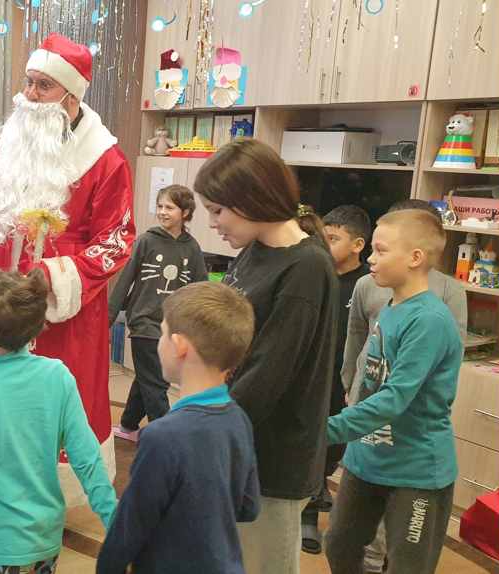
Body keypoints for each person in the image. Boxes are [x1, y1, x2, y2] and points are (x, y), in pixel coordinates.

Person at [0, 33, 135, 501]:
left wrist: (55, 274)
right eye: (28, 81)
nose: (28, 94)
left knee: (54, 404)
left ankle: (49, 495)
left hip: (64, 314)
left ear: (70, 95)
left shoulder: (106, 161)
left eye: (42, 85)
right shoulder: (7, 144)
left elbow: (116, 240)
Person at [193, 138, 339, 574]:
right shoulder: (255, 250)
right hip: (237, 438)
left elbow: (266, 374)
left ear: (250, 197)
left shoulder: (306, 266)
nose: (215, 224)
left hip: (272, 456)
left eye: (218, 211)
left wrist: (201, 432)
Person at [0, 268, 118, 574]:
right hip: (44, 543)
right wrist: (114, 519)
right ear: (37, 327)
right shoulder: (58, 377)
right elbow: (87, 459)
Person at [324, 209, 462, 574]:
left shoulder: (429, 319)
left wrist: (324, 431)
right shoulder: (390, 304)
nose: (370, 258)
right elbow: (369, 382)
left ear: (415, 258)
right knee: (339, 546)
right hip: (365, 461)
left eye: (381, 250)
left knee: (407, 567)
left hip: (415, 473)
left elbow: (394, 398)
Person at [97, 281, 259, 574]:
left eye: (161, 333)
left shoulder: (162, 436)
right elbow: (248, 507)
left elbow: (129, 529)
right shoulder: (240, 419)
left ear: (179, 345)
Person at [108, 184, 208, 441]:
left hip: (174, 326)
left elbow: (201, 288)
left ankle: (129, 425)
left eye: (169, 208)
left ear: (185, 212)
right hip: (144, 323)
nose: (162, 212)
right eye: (160, 207)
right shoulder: (146, 240)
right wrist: (107, 319)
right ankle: (166, 439)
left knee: (147, 378)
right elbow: (125, 280)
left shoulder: (192, 247)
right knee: (157, 383)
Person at [300, 205, 371, 553]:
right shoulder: (315, 272)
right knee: (307, 442)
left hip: (343, 386)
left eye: (333, 238)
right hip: (311, 376)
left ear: (358, 244)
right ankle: (308, 514)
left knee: (332, 446)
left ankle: (317, 491)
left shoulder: (368, 285)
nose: (325, 244)